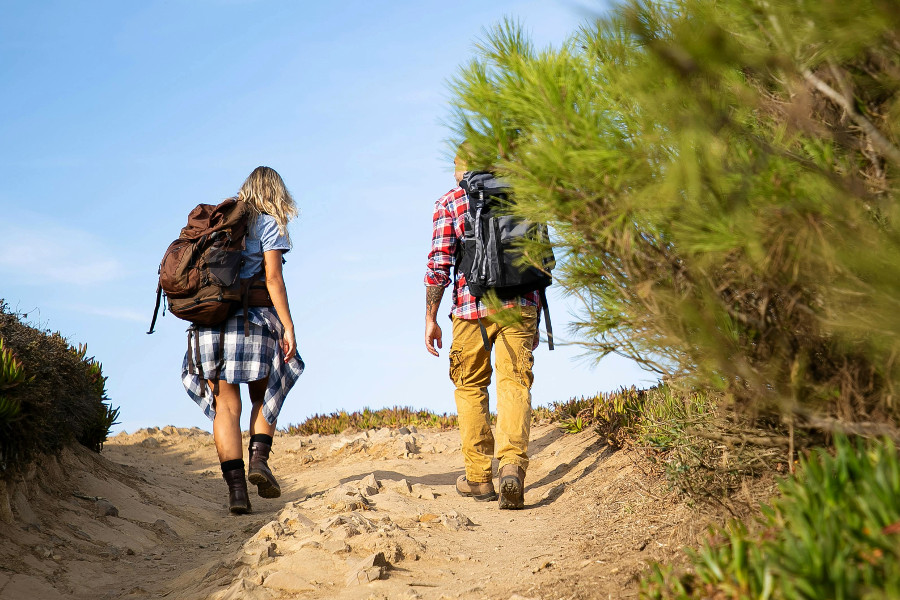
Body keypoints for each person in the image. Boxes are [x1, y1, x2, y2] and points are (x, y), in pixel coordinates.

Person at [182, 166, 304, 515]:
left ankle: (237, 493)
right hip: (253, 322)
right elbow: (273, 278)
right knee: (263, 393)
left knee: (226, 406)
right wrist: (288, 325)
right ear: (276, 193)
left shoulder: (220, 223)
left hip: (210, 323)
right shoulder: (269, 223)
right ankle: (259, 461)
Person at [424, 150, 541, 510]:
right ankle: (511, 470)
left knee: (471, 385)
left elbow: (438, 267)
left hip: (469, 309)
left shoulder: (451, 201)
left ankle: (478, 478)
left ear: (461, 167)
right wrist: (534, 312)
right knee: (514, 382)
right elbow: (540, 259)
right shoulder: (526, 196)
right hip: (520, 303)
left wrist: (430, 317)